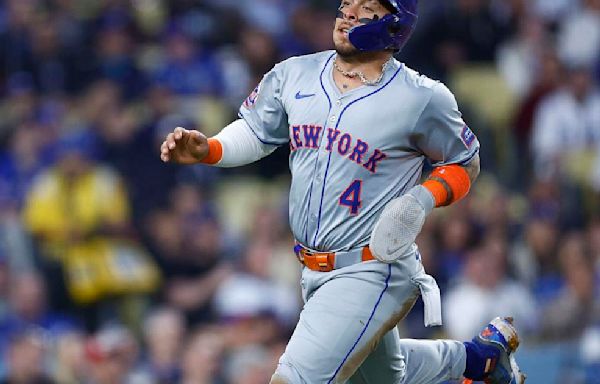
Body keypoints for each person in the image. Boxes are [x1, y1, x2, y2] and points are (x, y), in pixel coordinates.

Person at [160, 1, 526, 383]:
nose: (348, 13)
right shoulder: (295, 73)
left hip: (372, 268)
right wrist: (211, 149)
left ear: (394, 25)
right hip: (312, 267)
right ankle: (479, 359)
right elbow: (255, 131)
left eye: (366, 9)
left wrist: (424, 197)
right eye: (347, 3)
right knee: (385, 378)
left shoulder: (421, 97)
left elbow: (465, 160)